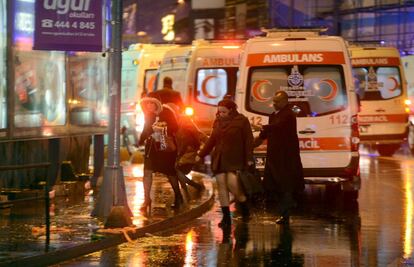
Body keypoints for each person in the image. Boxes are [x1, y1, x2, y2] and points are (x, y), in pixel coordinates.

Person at [196, 99, 254, 228]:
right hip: (220, 158)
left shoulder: (242, 121)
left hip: (235, 158)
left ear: (231, 110)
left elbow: (248, 140)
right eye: (219, 111)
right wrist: (200, 154)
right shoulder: (217, 121)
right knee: (221, 185)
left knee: (233, 185)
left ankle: (244, 207)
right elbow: (212, 140)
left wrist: (249, 157)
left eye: (224, 111)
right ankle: (226, 218)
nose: (221, 114)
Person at [254, 90, 304, 224]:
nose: (274, 104)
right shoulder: (274, 115)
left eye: (277, 101)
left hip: (286, 157)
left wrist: (261, 127)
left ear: (285, 101)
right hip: (273, 156)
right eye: (273, 101)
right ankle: (285, 209)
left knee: (285, 185)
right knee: (274, 185)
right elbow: (266, 133)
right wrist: (253, 143)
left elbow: (277, 127)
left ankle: (286, 213)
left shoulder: (289, 114)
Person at [138, 97, 183, 213]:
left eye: (151, 103)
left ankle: (178, 196)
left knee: (170, 172)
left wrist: (163, 127)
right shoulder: (148, 114)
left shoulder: (167, 112)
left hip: (165, 146)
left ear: (156, 104)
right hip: (151, 147)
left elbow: (176, 128)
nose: (148, 105)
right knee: (147, 172)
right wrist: (140, 140)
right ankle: (147, 199)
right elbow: (145, 129)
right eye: (147, 103)